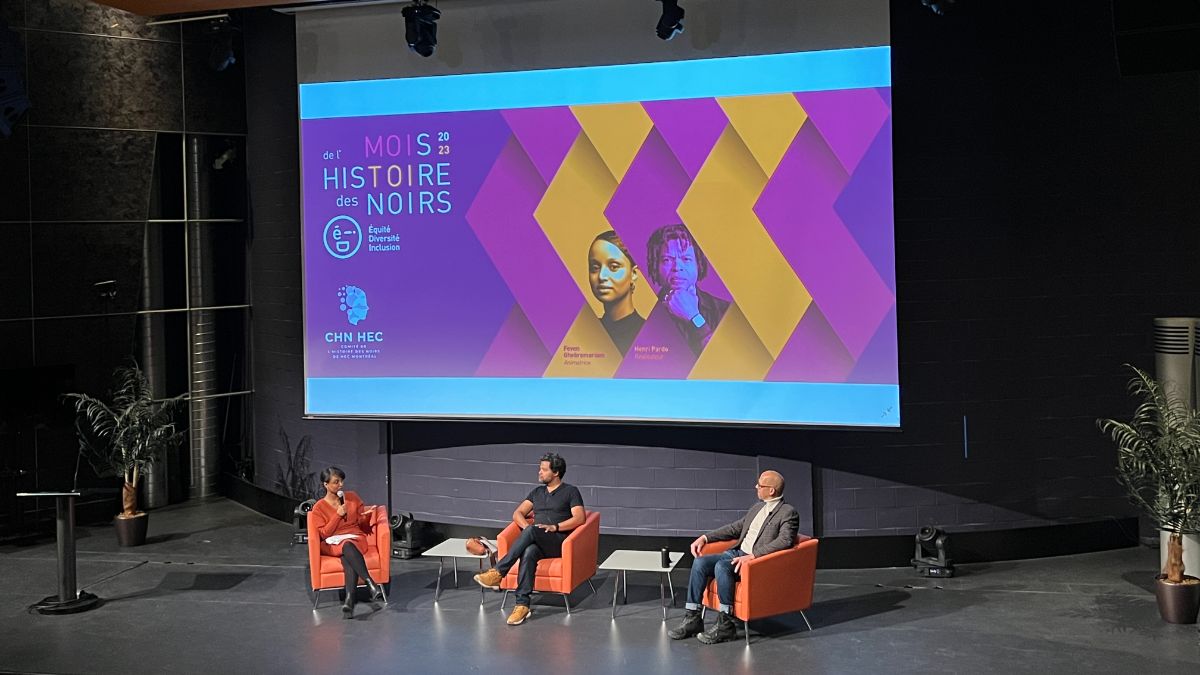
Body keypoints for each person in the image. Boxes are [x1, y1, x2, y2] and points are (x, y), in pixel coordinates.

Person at [667, 470, 799, 644]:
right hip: (736, 553)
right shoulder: (757, 507)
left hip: (754, 563)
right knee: (700, 562)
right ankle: (693, 618)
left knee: (722, 566)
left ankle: (726, 625)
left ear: (771, 490)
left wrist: (753, 556)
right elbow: (735, 528)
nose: (756, 487)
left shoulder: (788, 512)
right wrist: (705, 537)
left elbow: (785, 541)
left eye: (760, 485)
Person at [473, 453, 585, 626]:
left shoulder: (570, 491)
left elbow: (580, 518)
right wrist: (527, 529)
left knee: (532, 533)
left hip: (558, 541)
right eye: (540, 469)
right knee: (529, 551)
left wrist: (555, 527)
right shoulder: (537, 492)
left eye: (544, 469)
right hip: (537, 540)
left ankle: (498, 572)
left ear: (556, 472)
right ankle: (522, 605)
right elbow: (518, 513)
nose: (539, 472)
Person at [309, 466, 385, 618]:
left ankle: (349, 601)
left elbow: (362, 525)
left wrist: (366, 517)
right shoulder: (319, 508)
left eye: (342, 481)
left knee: (347, 552)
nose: (341, 485)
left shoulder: (352, 497)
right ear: (326, 484)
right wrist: (337, 515)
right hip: (332, 542)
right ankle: (370, 583)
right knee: (346, 546)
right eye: (336, 482)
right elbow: (324, 533)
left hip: (355, 538)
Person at [645, 223, 730, 356]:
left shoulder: (724, 310)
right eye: (667, 260)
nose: (677, 267)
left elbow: (723, 359)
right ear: (656, 265)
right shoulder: (645, 312)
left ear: (698, 264)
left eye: (686, 259)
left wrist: (694, 316)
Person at [588, 230, 645, 355]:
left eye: (613, 267)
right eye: (595, 268)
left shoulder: (649, 333)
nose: (602, 276)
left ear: (633, 274)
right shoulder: (584, 334)